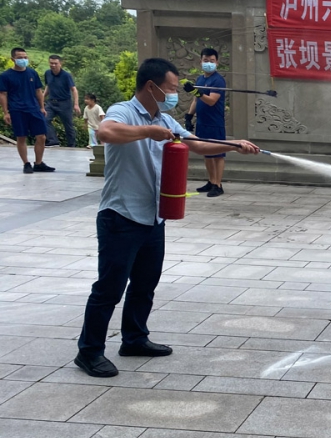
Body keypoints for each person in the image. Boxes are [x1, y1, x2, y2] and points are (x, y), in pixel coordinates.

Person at [75, 57, 260, 378]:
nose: (175, 94)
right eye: (171, 88)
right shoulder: (123, 111)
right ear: (152, 87)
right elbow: (106, 132)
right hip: (120, 216)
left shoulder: (166, 119)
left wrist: (233, 145)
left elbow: (197, 144)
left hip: (152, 217)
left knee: (145, 284)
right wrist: (147, 131)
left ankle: (134, 338)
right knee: (109, 288)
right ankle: (89, 352)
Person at [0, 48, 55, 173]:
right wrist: (6, 112)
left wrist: (42, 107)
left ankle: (38, 163)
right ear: (13, 59)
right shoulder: (5, 76)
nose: (23, 60)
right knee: (21, 137)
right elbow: (3, 94)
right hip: (17, 110)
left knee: (41, 136)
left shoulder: (32, 73)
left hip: (34, 109)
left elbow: (38, 91)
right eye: (20, 58)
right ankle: (26, 163)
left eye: (25, 57)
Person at [184, 47, 228, 197]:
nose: (209, 63)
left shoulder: (218, 80)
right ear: (201, 61)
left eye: (212, 61)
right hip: (202, 122)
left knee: (218, 154)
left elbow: (211, 101)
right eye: (206, 60)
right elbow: (196, 100)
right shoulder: (200, 79)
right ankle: (211, 181)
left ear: (217, 62)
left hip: (214, 122)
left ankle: (218, 184)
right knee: (206, 152)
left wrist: (196, 92)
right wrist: (189, 116)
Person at [43, 54, 80, 148]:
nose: (53, 65)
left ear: (60, 63)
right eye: (51, 63)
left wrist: (76, 104)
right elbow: (48, 87)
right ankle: (53, 141)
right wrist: (42, 99)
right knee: (44, 119)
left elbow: (74, 90)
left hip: (64, 103)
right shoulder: (47, 73)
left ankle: (71, 146)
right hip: (51, 102)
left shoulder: (66, 75)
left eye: (55, 63)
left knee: (68, 126)